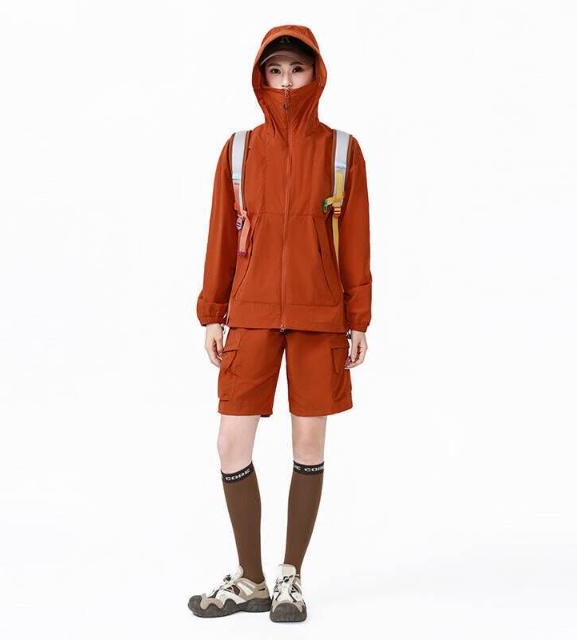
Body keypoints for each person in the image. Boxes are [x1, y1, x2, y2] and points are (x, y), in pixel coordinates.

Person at [189, 24, 372, 623]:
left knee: (309, 442)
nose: (286, 81)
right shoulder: (239, 149)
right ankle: (250, 579)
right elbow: (222, 235)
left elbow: (356, 240)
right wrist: (213, 312)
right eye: (275, 71)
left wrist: (358, 318)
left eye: (296, 69)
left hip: (321, 315)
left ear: (315, 73)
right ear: (260, 77)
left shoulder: (342, 149)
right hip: (251, 313)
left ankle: (290, 575)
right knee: (230, 441)